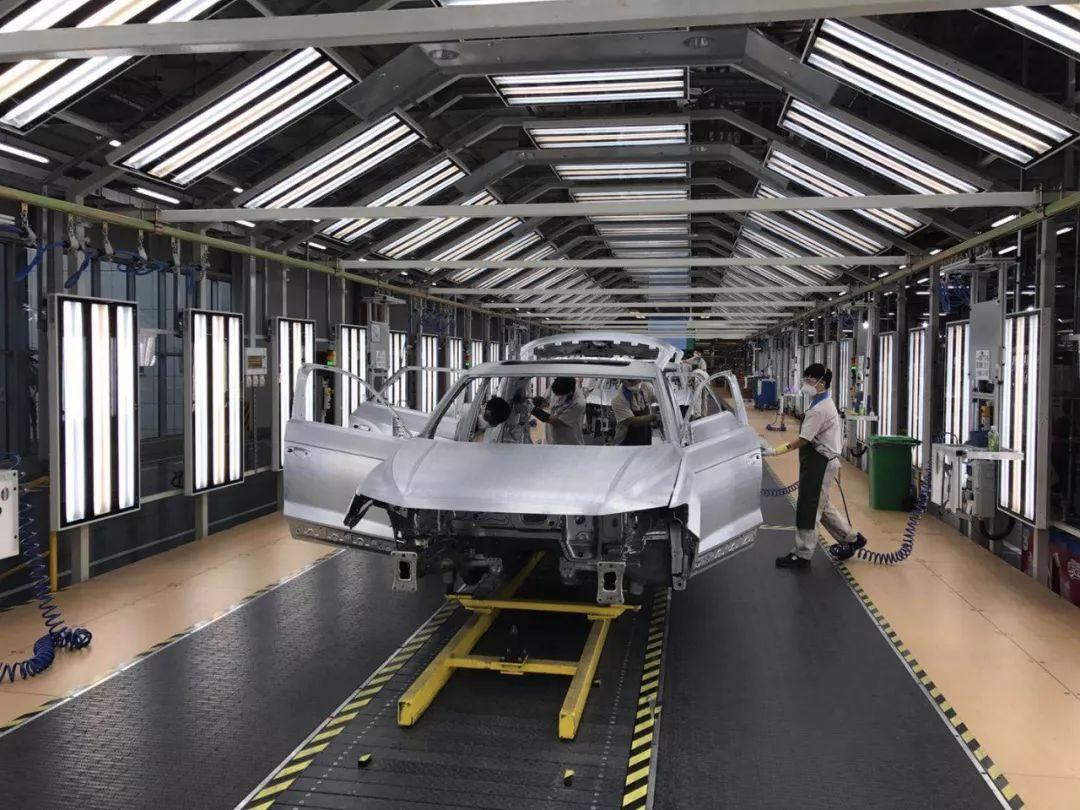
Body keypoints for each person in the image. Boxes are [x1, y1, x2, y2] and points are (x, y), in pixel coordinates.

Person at [761, 363, 867, 569]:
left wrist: (774, 451)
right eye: (805, 379)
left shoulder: (819, 409)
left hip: (821, 463)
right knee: (821, 505)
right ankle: (852, 538)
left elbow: (803, 439)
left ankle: (802, 554)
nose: (805, 384)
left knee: (808, 508)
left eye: (810, 380)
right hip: (821, 461)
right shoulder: (820, 402)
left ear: (822, 383)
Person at [531, 377, 586, 445]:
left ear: (570, 392)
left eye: (560, 395)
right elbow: (544, 403)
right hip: (550, 435)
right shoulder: (556, 386)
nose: (557, 397)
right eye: (555, 394)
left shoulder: (579, 403)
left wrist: (533, 409)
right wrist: (536, 401)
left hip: (568, 440)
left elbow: (555, 421)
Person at [611, 379, 655, 446]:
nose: (637, 383)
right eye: (631, 381)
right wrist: (654, 417)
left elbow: (659, 399)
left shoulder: (646, 387)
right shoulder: (618, 399)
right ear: (623, 380)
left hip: (645, 436)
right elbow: (633, 422)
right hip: (626, 440)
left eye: (639, 380)